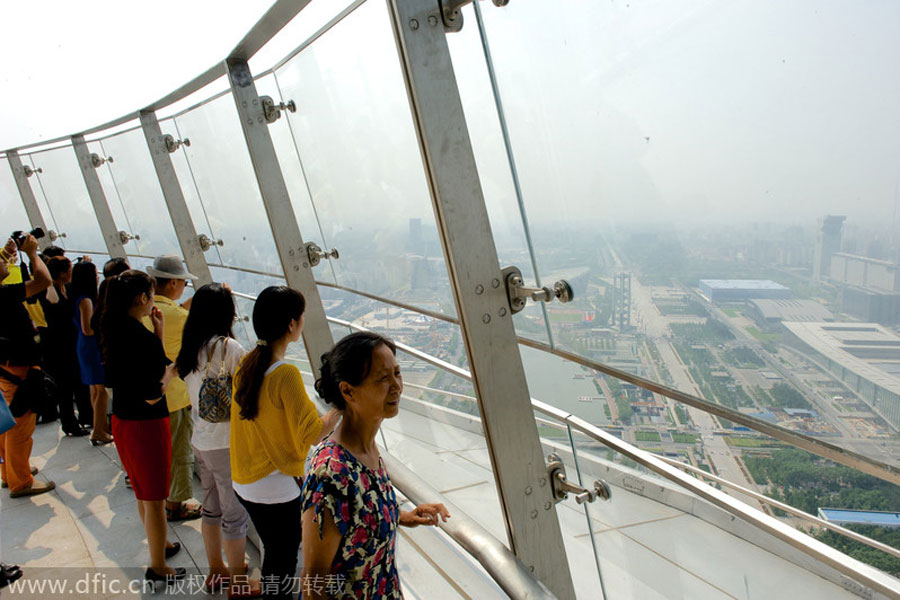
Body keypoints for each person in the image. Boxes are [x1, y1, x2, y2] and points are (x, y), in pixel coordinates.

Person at [301, 332, 450, 600]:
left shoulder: (367, 450)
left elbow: (357, 515)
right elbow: (313, 586)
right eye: (383, 378)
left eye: (397, 373)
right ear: (348, 391)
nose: (396, 386)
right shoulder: (331, 474)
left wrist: (403, 515)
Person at [231, 286, 340, 599]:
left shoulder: (248, 363)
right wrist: (339, 411)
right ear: (292, 324)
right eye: (301, 315)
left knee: (274, 551)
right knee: (283, 558)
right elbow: (312, 434)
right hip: (274, 487)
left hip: (244, 479)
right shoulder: (285, 374)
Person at [99, 270, 185, 585]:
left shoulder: (113, 328)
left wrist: (158, 332)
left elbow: (144, 365)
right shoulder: (140, 337)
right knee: (155, 498)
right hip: (147, 426)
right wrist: (172, 373)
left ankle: (160, 545)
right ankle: (158, 565)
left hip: (122, 420)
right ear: (141, 299)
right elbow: (152, 393)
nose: (153, 300)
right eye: (150, 295)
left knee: (142, 490)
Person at [175, 283, 250, 593]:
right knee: (234, 515)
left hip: (201, 440)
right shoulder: (229, 348)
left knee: (211, 508)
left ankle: (216, 569)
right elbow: (249, 394)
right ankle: (238, 581)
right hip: (226, 443)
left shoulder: (189, 345)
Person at [144, 255, 201, 522]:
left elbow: (178, 310)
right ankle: (175, 505)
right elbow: (184, 318)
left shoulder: (145, 310)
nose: (184, 289)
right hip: (174, 396)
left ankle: (158, 497)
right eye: (184, 284)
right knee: (179, 452)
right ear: (174, 283)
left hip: (147, 395)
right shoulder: (177, 317)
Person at [0, 235, 55, 497]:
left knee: (5, 422)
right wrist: (33, 254)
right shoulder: (3, 296)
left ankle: (9, 471)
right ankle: (20, 482)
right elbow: (44, 281)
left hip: (5, 366)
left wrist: (7, 256)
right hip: (18, 368)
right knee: (20, 425)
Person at [40, 256, 90, 437]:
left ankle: (85, 416)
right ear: (61, 274)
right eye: (69, 270)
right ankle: (69, 423)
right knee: (65, 387)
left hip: (71, 343)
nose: (72, 273)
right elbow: (52, 300)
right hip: (57, 346)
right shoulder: (50, 291)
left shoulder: (68, 288)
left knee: (78, 381)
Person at [71, 260, 112, 445]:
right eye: (95, 273)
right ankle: (98, 430)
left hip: (84, 345)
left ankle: (101, 426)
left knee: (94, 389)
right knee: (101, 389)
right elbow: (88, 328)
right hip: (92, 345)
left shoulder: (77, 296)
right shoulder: (86, 300)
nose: (97, 276)